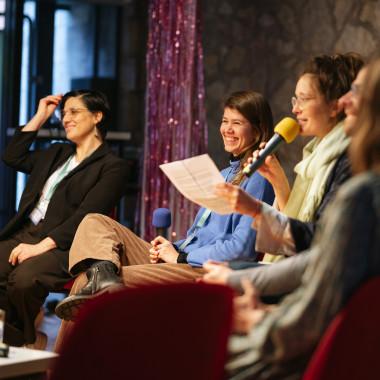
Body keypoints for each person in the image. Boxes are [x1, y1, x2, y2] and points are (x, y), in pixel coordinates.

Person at [205, 56, 380, 379]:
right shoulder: (316, 157)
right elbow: (323, 253)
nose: (346, 101)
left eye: (357, 91)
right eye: (294, 100)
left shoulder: (362, 188)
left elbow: (318, 259)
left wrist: (257, 314)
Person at [53, 91, 276, 326]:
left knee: (85, 282)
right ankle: (103, 277)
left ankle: (63, 361)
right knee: (94, 221)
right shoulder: (226, 174)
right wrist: (172, 247)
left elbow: (241, 250)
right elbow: (198, 235)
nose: (227, 129)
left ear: (258, 128)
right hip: (185, 259)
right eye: (224, 121)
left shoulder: (260, 177)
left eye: (237, 123)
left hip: (206, 271)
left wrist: (180, 256)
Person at [203, 63, 368, 296]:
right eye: (295, 100)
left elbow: (318, 245)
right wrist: (278, 179)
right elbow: (305, 230)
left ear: (333, 107)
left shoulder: (348, 161)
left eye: (304, 99)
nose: (295, 110)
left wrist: (256, 211)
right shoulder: (314, 155)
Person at [0, 90, 129, 349]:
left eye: (74, 112)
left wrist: (39, 247)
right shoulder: (56, 152)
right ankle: (23, 339)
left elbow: (86, 217)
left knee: (24, 281)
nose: (65, 118)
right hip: (25, 232)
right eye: (63, 113)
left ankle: (17, 344)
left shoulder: (113, 167)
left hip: (64, 245)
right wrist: (40, 116)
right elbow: (12, 156)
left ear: (97, 116)